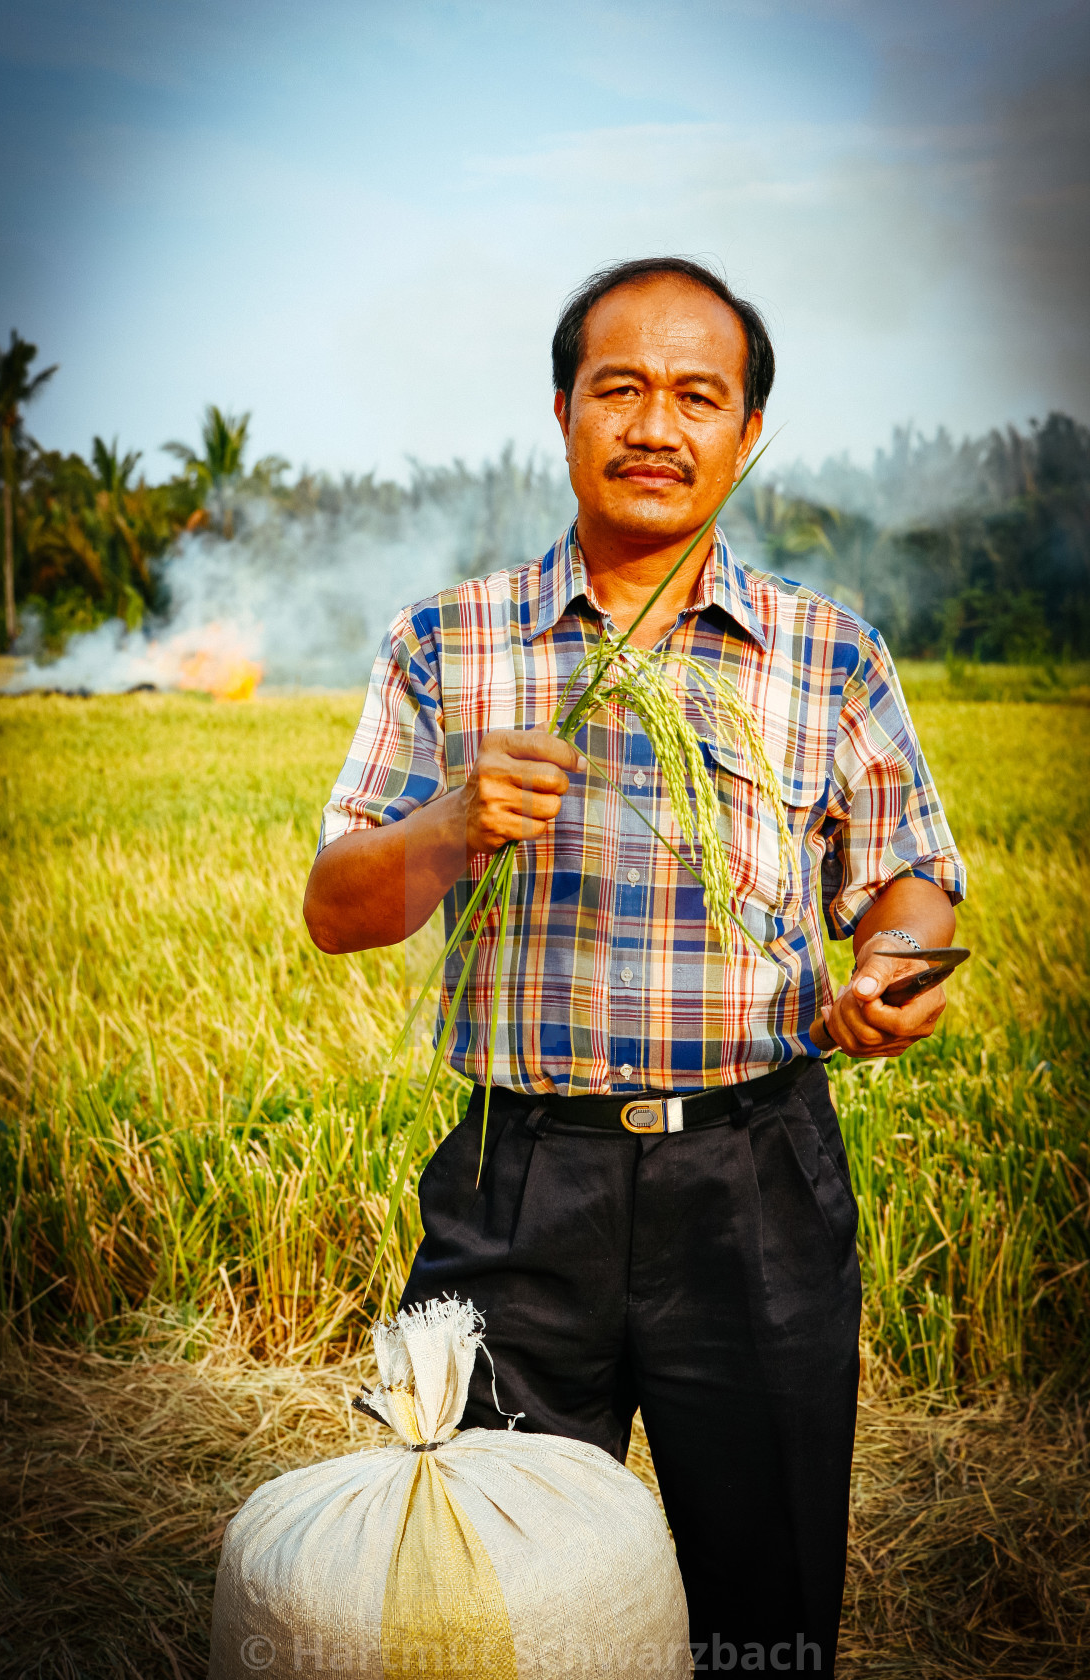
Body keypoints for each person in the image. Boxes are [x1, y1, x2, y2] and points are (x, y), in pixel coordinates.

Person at [304, 256, 965, 1677]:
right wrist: (447, 823)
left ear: (749, 433)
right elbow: (337, 906)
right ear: (562, 413)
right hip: (516, 1187)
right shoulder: (448, 642)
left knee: (765, 1608)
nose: (656, 424)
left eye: (696, 395)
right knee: (483, 1603)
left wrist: (893, 971)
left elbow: (906, 882)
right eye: (621, 388)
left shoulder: (828, 655)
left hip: (757, 1181)